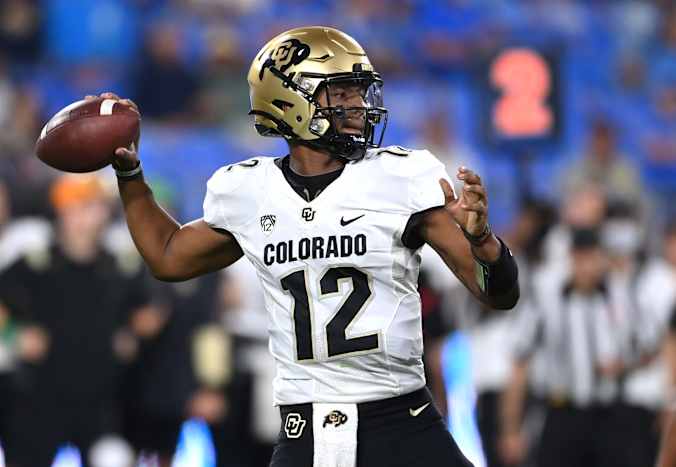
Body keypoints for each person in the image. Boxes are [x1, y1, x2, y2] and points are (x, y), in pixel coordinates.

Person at [96, 26, 519, 467]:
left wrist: (483, 240)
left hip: (402, 422)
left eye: (359, 92)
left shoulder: (400, 177)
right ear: (289, 101)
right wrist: (131, 178)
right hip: (305, 430)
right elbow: (167, 256)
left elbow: (499, 294)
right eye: (340, 94)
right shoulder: (248, 190)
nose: (358, 106)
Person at [0, 174, 152, 467]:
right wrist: (14, 335)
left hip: (101, 400)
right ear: (63, 211)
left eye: (96, 207)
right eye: (82, 207)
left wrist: (131, 335)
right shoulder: (37, 263)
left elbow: (149, 310)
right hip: (39, 397)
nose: (92, 216)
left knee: (113, 458)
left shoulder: (117, 265)